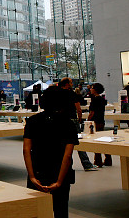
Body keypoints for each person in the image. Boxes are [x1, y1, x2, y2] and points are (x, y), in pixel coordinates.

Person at [23, 84, 79, 218]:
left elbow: (26, 150)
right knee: (61, 210)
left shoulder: (32, 121)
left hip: (38, 170)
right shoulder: (68, 124)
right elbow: (67, 155)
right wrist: (59, 181)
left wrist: (31, 177)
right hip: (59, 172)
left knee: (36, 211)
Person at [56, 77, 98, 171]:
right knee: (78, 142)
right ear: (67, 84)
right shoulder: (72, 93)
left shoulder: (57, 93)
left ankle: (66, 166)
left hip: (61, 120)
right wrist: (79, 118)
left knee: (63, 143)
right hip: (72, 119)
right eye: (70, 82)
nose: (72, 84)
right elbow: (78, 108)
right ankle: (86, 164)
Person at [87, 83, 112, 167]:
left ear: (95, 90)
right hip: (101, 120)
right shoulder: (102, 99)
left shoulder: (94, 100)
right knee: (102, 140)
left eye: (92, 88)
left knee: (96, 140)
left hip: (95, 121)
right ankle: (108, 158)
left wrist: (88, 120)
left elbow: (92, 112)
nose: (91, 89)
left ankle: (98, 161)